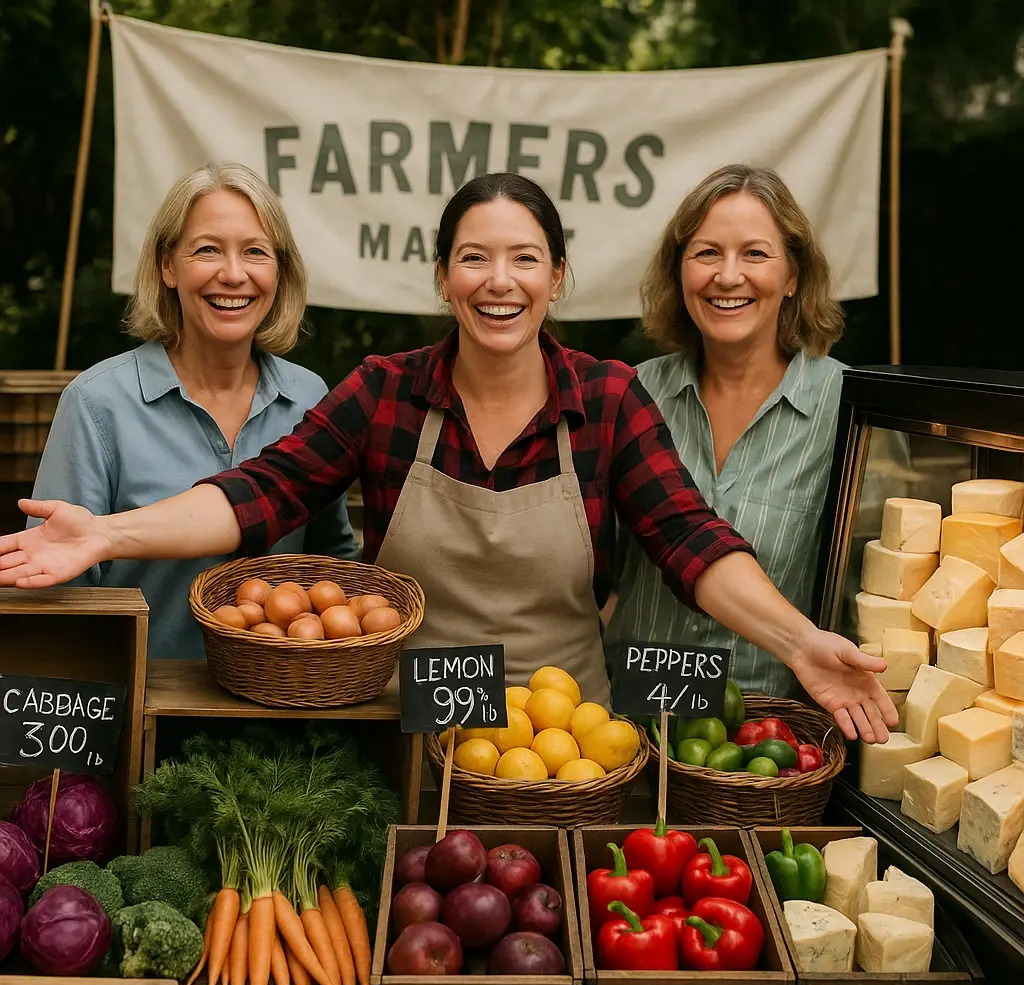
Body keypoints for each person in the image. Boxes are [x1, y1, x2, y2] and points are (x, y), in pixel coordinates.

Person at [0, 171, 895, 743]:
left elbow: (688, 539)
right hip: (412, 730)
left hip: (571, 746)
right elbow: (256, 494)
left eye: (523, 260)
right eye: (474, 259)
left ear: (556, 278)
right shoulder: (386, 393)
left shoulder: (610, 399)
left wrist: (803, 643)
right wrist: (102, 534)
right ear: (443, 277)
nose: (497, 282)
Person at [25, 161, 358, 659]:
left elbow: (332, 566)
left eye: (255, 252)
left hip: (283, 715)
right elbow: (54, 593)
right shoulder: (98, 403)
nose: (233, 273)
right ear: (167, 266)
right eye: (207, 250)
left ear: (279, 271)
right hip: (141, 714)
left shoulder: (310, 398)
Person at [605, 164, 849, 699]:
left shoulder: (846, 408)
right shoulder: (631, 394)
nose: (728, 275)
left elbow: (864, 596)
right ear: (679, 272)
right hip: (623, 733)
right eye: (707, 252)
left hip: (771, 744)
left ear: (793, 277)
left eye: (755, 254)